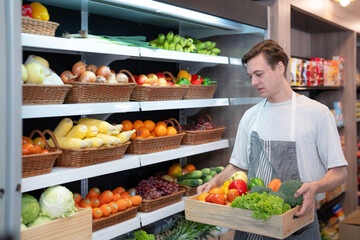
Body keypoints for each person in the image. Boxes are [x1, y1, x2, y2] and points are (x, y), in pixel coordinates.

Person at [197, 39, 348, 239]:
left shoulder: (317, 114)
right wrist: (216, 181)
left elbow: (339, 172)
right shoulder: (250, 116)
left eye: (259, 74)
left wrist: (315, 187)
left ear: (279, 67)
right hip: (251, 223)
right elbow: (238, 166)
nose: (253, 82)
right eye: (250, 76)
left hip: (298, 225)